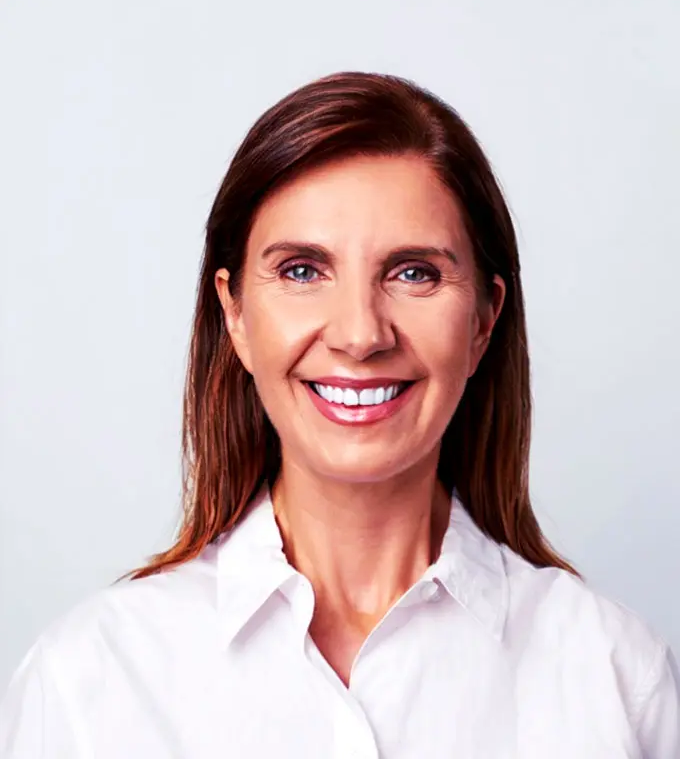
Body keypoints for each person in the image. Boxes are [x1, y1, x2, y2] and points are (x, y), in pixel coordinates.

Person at [1, 71, 678, 758]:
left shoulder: (617, 678)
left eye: (414, 272)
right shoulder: (94, 682)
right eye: (301, 270)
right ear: (234, 314)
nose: (360, 334)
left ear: (483, 321)